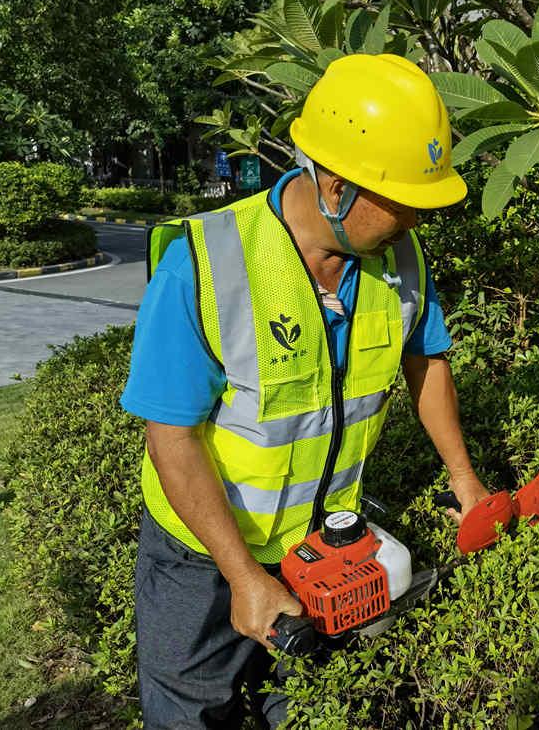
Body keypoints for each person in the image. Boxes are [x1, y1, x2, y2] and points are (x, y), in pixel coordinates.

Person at [120, 53, 490, 729]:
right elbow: (169, 434)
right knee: (188, 713)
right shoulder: (206, 265)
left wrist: (463, 478)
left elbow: (426, 361)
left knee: (306, 708)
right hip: (200, 554)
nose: (416, 221)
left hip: (322, 544)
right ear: (334, 186)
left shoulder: (400, 261)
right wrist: (243, 576)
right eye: (403, 201)